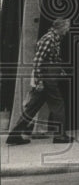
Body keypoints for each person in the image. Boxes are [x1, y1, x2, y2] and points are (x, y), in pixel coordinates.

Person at [6, 17, 72, 145]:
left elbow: (52, 59)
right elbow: (38, 61)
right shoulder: (48, 39)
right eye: (67, 27)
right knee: (58, 105)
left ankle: (14, 136)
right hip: (46, 78)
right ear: (61, 27)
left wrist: (59, 69)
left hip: (48, 76)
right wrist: (40, 81)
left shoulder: (55, 39)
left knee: (32, 107)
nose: (68, 30)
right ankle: (60, 136)